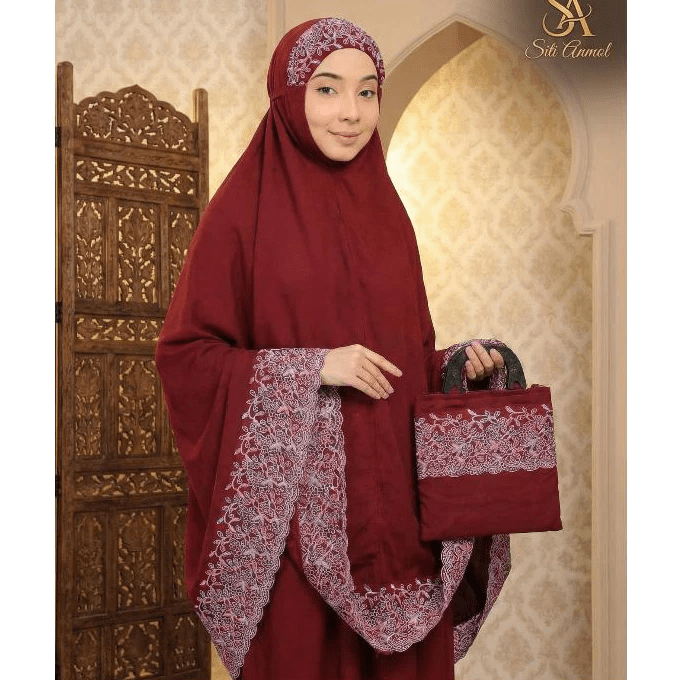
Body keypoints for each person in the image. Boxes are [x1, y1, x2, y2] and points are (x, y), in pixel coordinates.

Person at [156, 17, 510, 680]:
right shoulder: (239, 214)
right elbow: (187, 357)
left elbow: (406, 361)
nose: (351, 112)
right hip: (296, 526)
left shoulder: (390, 216)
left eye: (367, 91)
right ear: (289, 96)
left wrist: (457, 368)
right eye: (327, 89)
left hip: (399, 521)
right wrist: (312, 367)